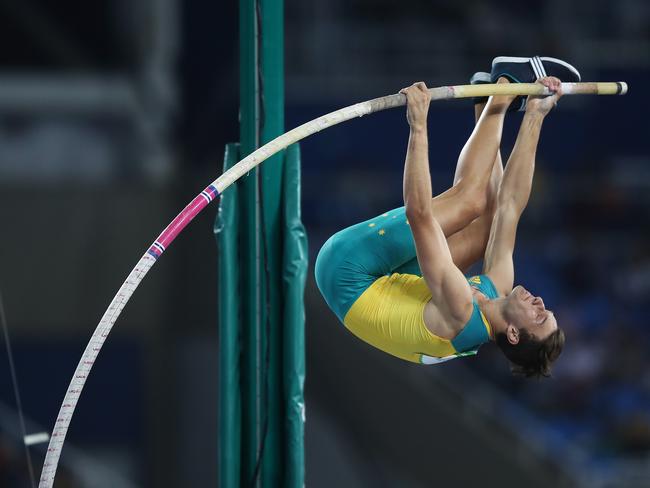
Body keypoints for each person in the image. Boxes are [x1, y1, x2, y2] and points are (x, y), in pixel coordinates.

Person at [315, 62, 571, 378]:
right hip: (390, 281)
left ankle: (504, 84)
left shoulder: (461, 312)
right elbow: (510, 206)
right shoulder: (496, 294)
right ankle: (488, 102)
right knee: (489, 224)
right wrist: (535, 115)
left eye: (540, 316)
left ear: (514, 334)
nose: (541, 303)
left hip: (345, 271)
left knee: (470, 201)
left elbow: (419, 215)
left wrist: (418, 125)